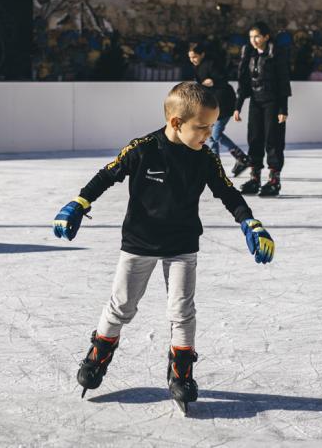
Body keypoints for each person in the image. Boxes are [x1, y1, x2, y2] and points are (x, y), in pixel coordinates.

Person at [52, 81, 275, 414]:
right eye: (202, 127)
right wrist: (79, 202)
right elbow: (107, 174)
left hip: (182, 244)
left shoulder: (205, 159)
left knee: (182, 311)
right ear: (176, 123)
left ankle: (181, 372)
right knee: (121, 305)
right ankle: (98, 354)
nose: (208, 134)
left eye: (212, 126)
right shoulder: (143, 148)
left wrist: (250, 222)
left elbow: (228, 192)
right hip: (139, 243)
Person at [234, 21, 292, 197]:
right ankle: (255, 179)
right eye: (251, 37)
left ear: (266, 37)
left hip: (273, 103)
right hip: (256, 103)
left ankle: (274, 180)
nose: (254, 40)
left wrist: (283, 109)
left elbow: (283, 83)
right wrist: (238, 107)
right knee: (254, 138)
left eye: (257, 36)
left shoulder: (277, 54)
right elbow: (243, 83)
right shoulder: (249, 54)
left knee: (273, 140)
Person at [188, 42, 251, 175]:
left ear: (202, 55)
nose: (192, 60)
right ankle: (221, 163)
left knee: (214, 135)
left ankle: (234, 159)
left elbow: (224, 79)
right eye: (190, 57)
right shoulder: (197, 68)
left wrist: (214, 82)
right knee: (212, 136)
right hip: (212, 106)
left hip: (224, 104)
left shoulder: (212, 64)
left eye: (194, 57)